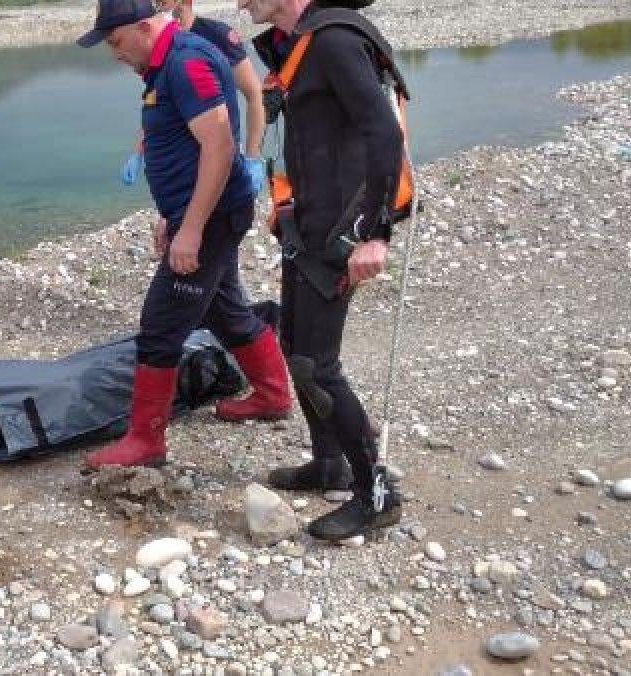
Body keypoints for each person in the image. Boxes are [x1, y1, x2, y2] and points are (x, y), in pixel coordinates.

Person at [77, 0, 290, 470]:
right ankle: (273, 396)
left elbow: (218, 145)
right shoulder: (162, 63)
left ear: (144, 26)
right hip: (200, 213)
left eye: (114, 41)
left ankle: (145, 442)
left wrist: (190, 230)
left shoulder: (186, 62)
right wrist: (171, 216)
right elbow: (179, 145)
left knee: (160, 324)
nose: (113, 53)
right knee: (226, 310)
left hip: (212, 217)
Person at [238, 0, 404, 540]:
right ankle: (327, 463)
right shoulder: (297, 46)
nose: (241, 3)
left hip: (340, 233)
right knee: (295, 347)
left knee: (317, 364)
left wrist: (376, 232)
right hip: (306, 227)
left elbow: (384, 133)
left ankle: (375, 493)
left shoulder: (333, 41)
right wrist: (285, 208)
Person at [120, 0, 267, 197]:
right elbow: (157, 104)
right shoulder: (160, 45)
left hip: (218, 159)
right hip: (180, 168)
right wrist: (139, 150)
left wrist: (253, 156)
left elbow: (255, 94)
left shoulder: (217, 35)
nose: (157, 4)